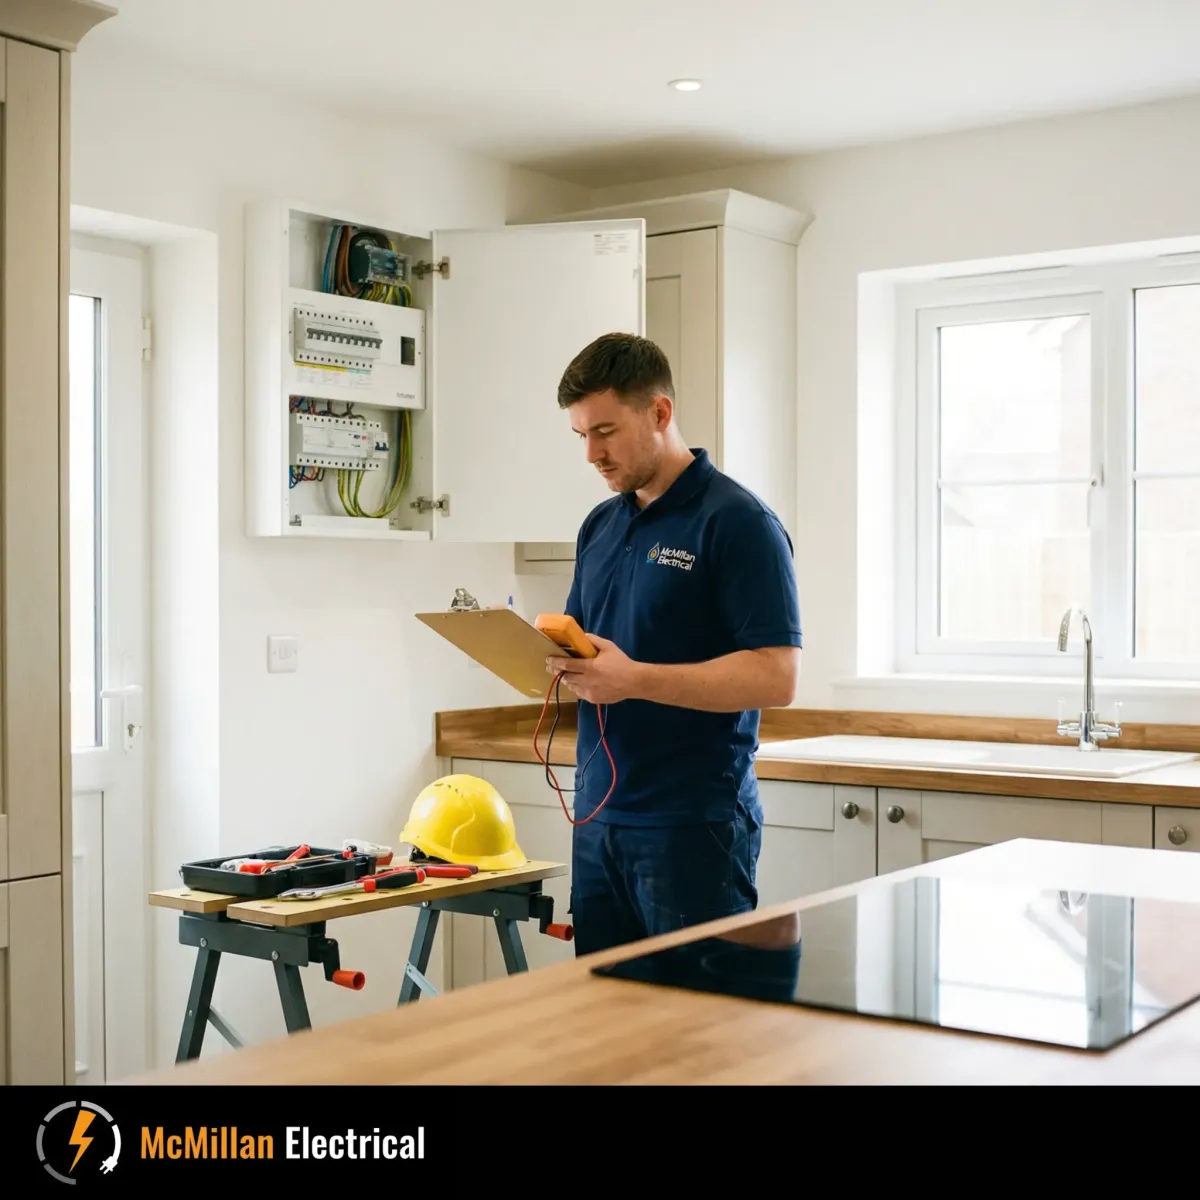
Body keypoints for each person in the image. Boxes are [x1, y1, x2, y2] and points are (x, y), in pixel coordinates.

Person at [546, 331, 803, 956]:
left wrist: (635, 679)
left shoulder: (738, 522)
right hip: (598, 819)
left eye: (604, 431)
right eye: (581, 435)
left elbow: (777, 677)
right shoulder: (601, 525)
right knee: (611, 1031)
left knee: (700, 1037)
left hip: (693, 826)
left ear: (659, 413)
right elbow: (593, 655)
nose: (592, 454)